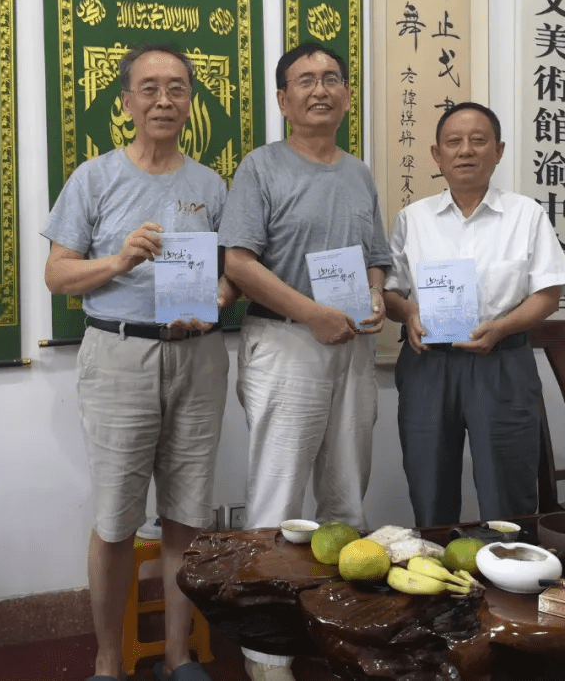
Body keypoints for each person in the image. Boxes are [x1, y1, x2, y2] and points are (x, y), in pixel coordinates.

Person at [42, 44, 236, 681]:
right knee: (117, 519)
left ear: (190, 101)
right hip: (118, 353)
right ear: (125, 102)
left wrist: (216, 301)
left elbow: (227, 276)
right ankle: (107, 662)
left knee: (186, 514)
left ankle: (178, 658)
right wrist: (119, 261)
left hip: (198, 356)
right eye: (149, 88)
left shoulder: (211, 184)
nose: (164, 100)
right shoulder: (94, 178)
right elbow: (57, 275)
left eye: (177, 88)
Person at [219, 42, 391, 681]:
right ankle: (267, 653)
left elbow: (375, 253)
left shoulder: (359, 172)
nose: (321, 90)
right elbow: (238, 262)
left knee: (348, 492)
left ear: (346, 93)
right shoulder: (260, 168)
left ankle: (340, 634)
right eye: (305, 81)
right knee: (279, 499)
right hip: (287, 343)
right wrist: (312, 313)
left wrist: (373, 293)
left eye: (332, 79)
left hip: (351, 345)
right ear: (283, 98)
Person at [383, 102, 565, 528]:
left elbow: (548, 292)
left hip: (501, 361)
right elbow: (389, 292)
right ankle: (436, 582)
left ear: (499, 150)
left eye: (478, 140)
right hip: (429, 366)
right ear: (437, 154)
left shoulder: (526, 214)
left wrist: (502, 326)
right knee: (430, 488)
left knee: (508, 493)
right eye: (453, 142)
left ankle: (512, 581)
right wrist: (409, 312)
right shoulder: (413, 219)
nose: (465, 151)